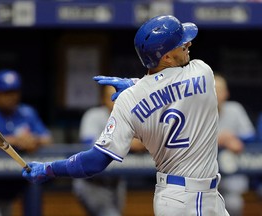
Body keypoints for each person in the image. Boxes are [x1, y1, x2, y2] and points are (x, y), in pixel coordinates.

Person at [23, 15, 230, 216]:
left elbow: (94, 162)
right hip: (187, 198)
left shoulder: (127, 101)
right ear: (166, 56)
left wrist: (50, 168)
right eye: (182, 44)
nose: (189, 45)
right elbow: (169, 84)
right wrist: (133, 83)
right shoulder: (202, 71)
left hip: (182, 198)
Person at [0, 69, 53, 216]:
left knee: (34, 182)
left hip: (11, 185)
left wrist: (33, 140)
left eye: (14, 92)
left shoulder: (27, 112)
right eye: (5, 92)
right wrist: (16, 140)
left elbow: (47, 139)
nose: (11, 97)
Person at [73, 85, 145, 216]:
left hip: (116, 182)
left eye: (120, 96)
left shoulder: (131, 117)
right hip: (92, 183)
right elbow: (89, 145)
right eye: (111, 97)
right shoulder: (93, 116)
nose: (116, 101)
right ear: (103, 99)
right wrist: (128, 142)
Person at [214, 73, 256, 216]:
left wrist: (235, 138)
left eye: (219, 90)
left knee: (233, 202)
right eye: (212, 90)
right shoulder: (198, 112)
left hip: (232, 170)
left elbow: (250, 136)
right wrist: (218, 140)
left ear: (226, 93)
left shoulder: (235, 109)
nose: (216, 94)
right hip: (205, 171)